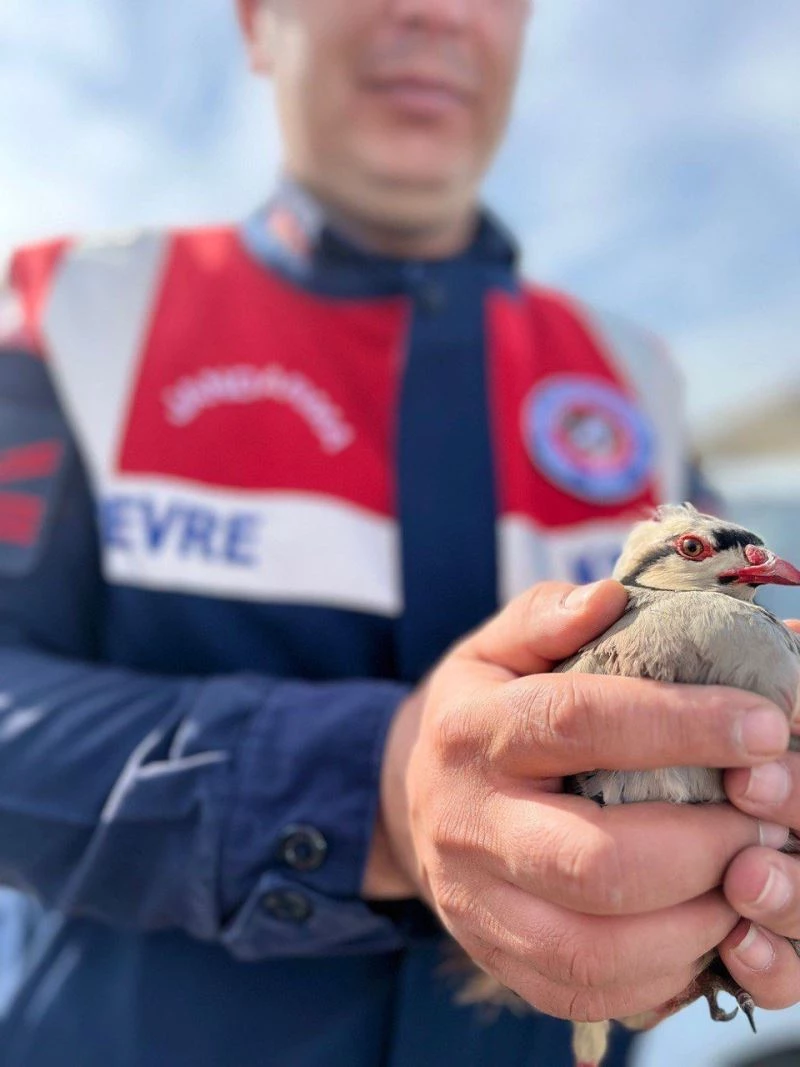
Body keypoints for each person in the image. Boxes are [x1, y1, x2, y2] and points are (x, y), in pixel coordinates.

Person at [1, 2, 799, 1065]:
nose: (432, 12)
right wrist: (373, 790)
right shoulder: (77, 312)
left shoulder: (633, 376)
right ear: (256, 23)